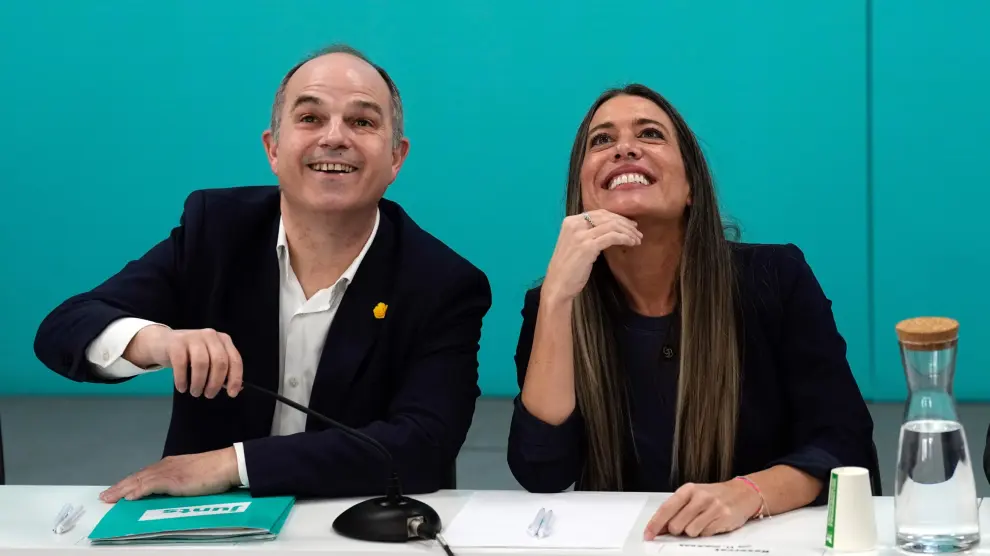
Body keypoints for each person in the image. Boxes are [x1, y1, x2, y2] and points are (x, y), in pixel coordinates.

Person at [34, 44, 491, 502]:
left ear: (396, 158)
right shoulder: (215, 230)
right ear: (272, 148)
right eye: (310, 118)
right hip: (204, 524)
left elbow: (423, 447)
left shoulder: (442, 283)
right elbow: (64, 329)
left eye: (362, 122)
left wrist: (232, 464)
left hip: (351, 520)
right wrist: (160, 341)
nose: (334, 138)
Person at [506, 84, 878, 539]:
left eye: (650, 134)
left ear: (691, 190)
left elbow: (845, 445)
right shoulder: (552, 306)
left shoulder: (775, 278)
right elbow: (540, 469)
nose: (624, 148)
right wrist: (558, 299)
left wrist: (747, 494)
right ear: (582, 192)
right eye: (601, 140)